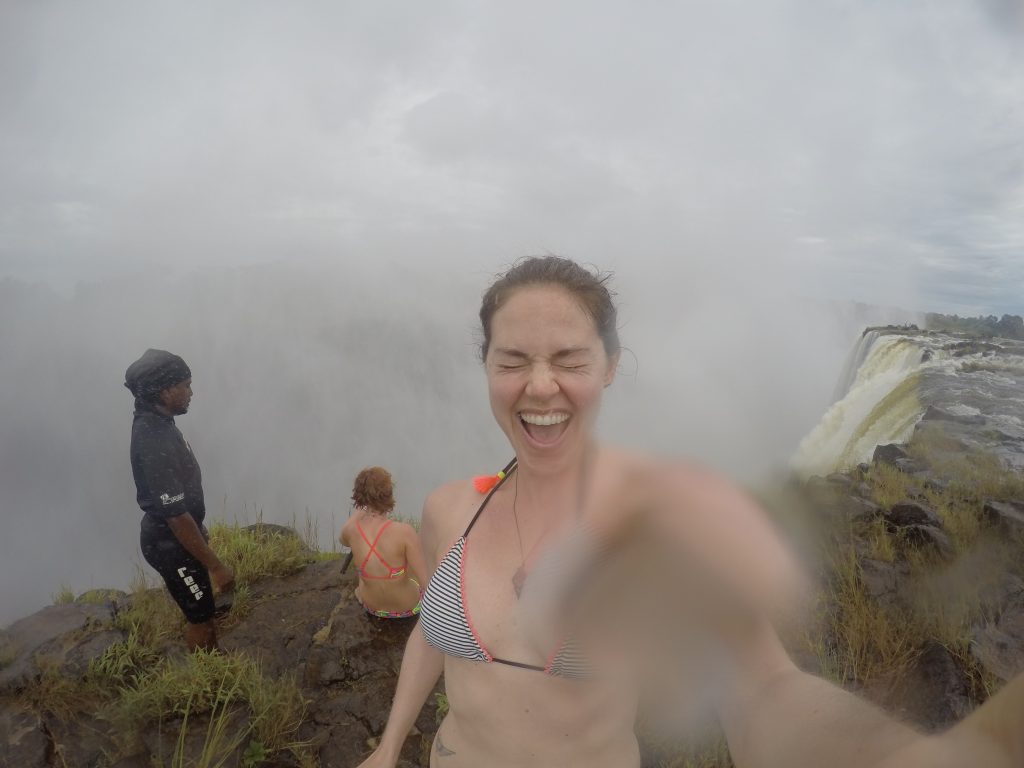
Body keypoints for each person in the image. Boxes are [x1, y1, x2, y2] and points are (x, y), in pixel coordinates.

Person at [354, 256, 1024, 768]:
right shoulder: (449, 510)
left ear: (610, 367)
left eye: (569, 359)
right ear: (487, 368)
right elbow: (430, 637)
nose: (539, 385)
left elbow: (763, 689)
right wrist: (389, 748)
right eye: (513, 360)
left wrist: (907, 757)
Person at [125, 348, 234, 652]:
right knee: (199, 618)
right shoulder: (152, 439)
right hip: (170, 546)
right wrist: (217, 566)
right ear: (164, 390)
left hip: (180, 541)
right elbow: (174, 517)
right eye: (185, 385)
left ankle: (214, 662)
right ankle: (207, 679)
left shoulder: (158, 421)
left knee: (203, 608)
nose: (191, 392)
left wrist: (199, 531)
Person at [340, 467, 427, 619]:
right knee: (413, 566)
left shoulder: (351, 531)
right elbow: (426, 582)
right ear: (388, 494)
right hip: (407, 608)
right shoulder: (404, 532)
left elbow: (343, 541)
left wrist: (361, 510)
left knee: (364, 572)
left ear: (359, 496)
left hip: (372, 607)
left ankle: (362, 592)